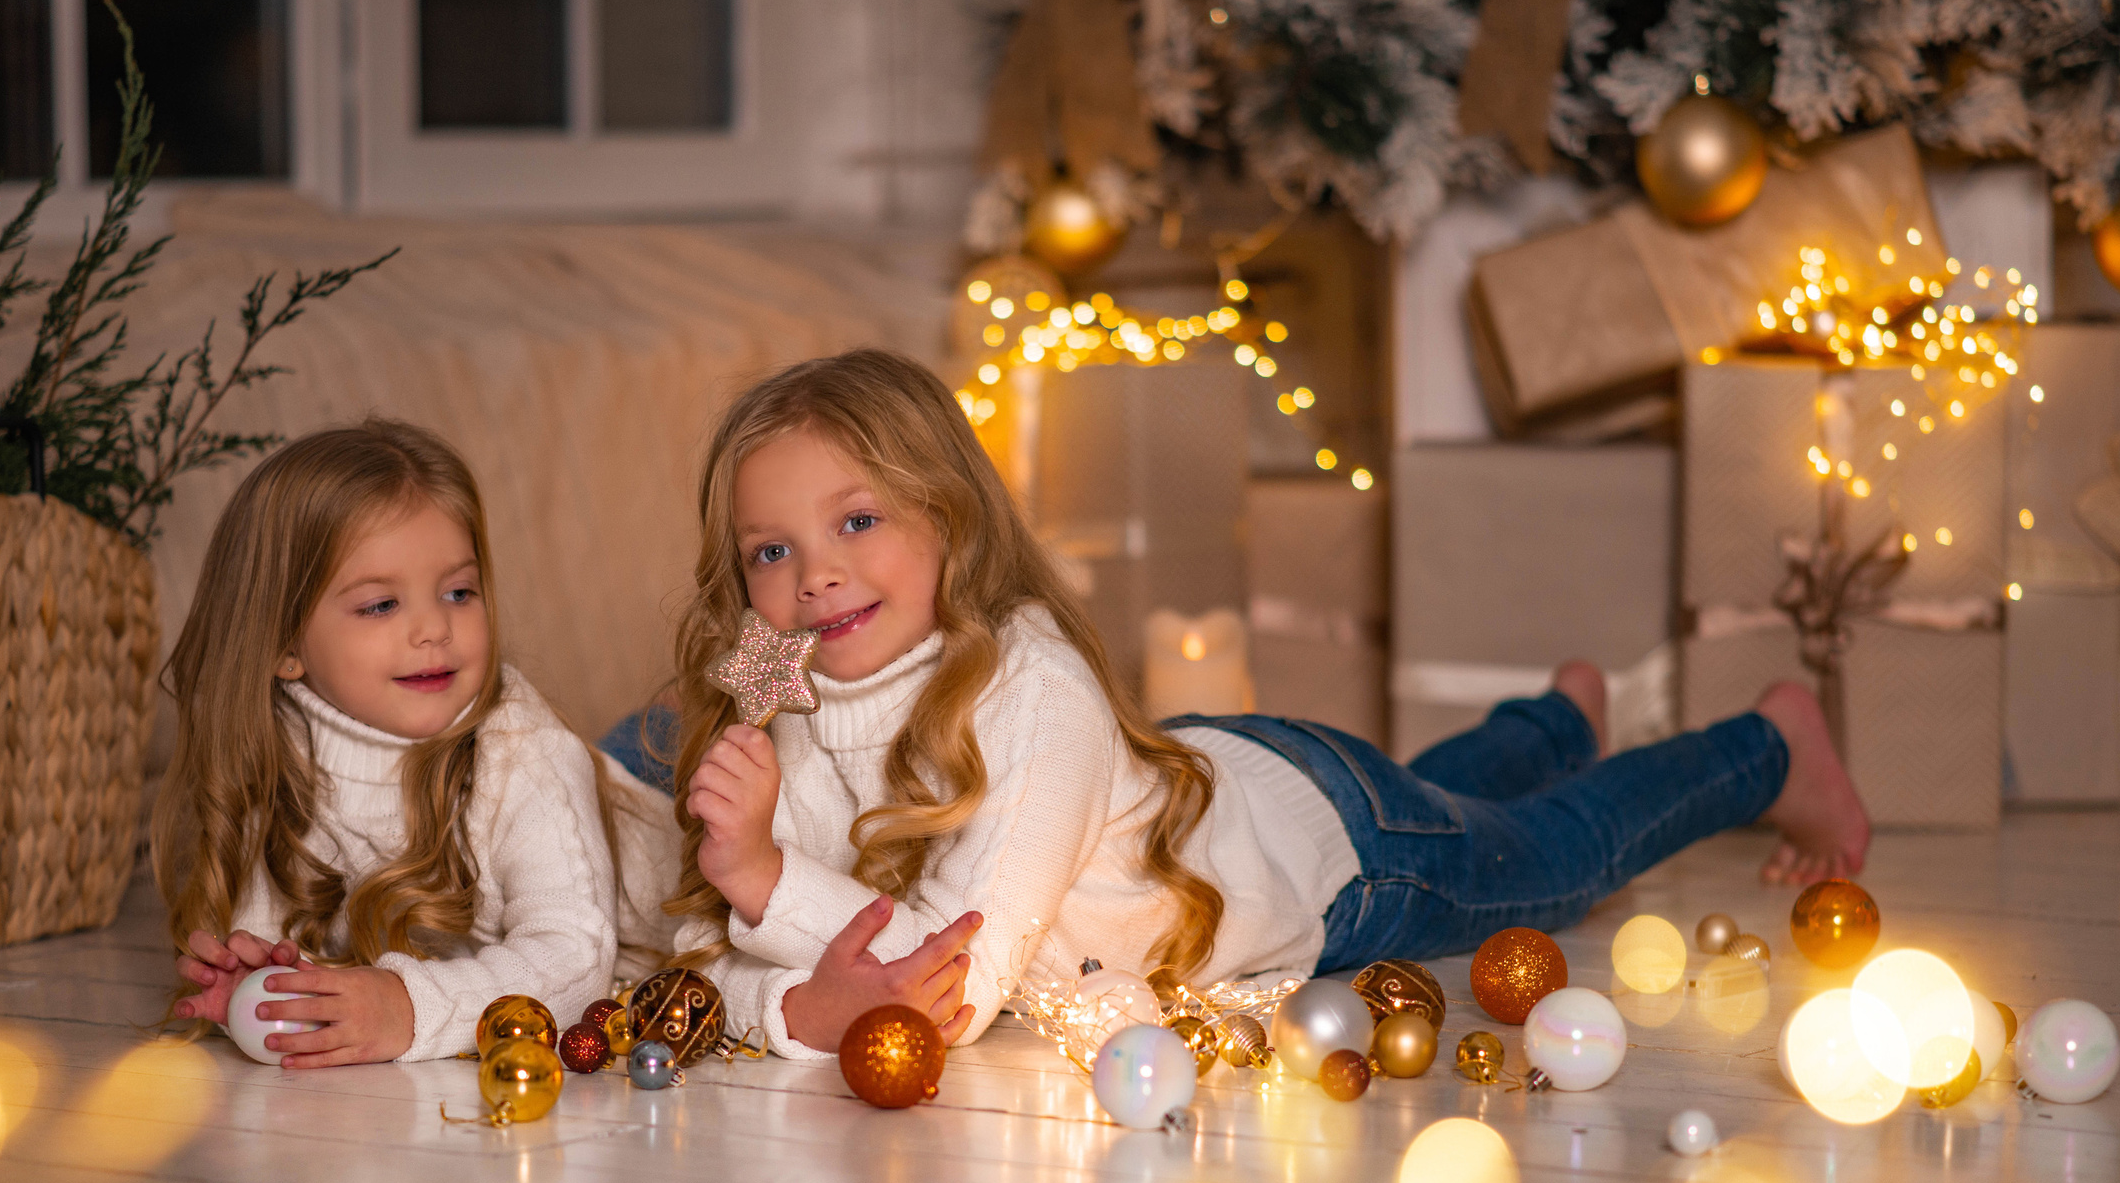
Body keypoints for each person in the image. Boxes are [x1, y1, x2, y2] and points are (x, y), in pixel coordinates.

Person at [646, 349, 1869, 1061]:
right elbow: (693, 954)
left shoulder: (1031, 685)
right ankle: (1550, 721)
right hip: (1208, 780)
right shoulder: (788, 693)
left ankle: (1768, 743)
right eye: (768, 551)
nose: (812, 575)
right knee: (1455, 795)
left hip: (1321, 858)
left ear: (947, 518)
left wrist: (767, 888)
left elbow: (953, 988)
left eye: (856, 520)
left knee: (1554, 854)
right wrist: (783, 962)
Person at [156, 419, 641, 1066]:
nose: (434, 627)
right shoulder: (268, 757)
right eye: (382, 604)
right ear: (283, 645)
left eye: (459, 592)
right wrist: (268, 988)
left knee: (666, 744)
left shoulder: (529, 755)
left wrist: (408, 1006)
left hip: (664, 819)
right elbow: (289, 951)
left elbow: (577, 958)